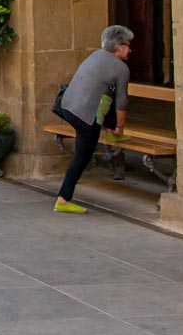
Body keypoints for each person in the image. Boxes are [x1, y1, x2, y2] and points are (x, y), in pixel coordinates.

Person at [53, 25, 134, 214]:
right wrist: (120, 127)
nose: (130, 49)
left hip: (67, 106)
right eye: (128, 45)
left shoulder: (96, 55)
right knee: (81, 158)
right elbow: (122, 102)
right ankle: (63, 200)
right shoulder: (121, 68)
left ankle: (110, 131)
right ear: (119, 46)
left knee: (109, 92)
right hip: (84, 116)